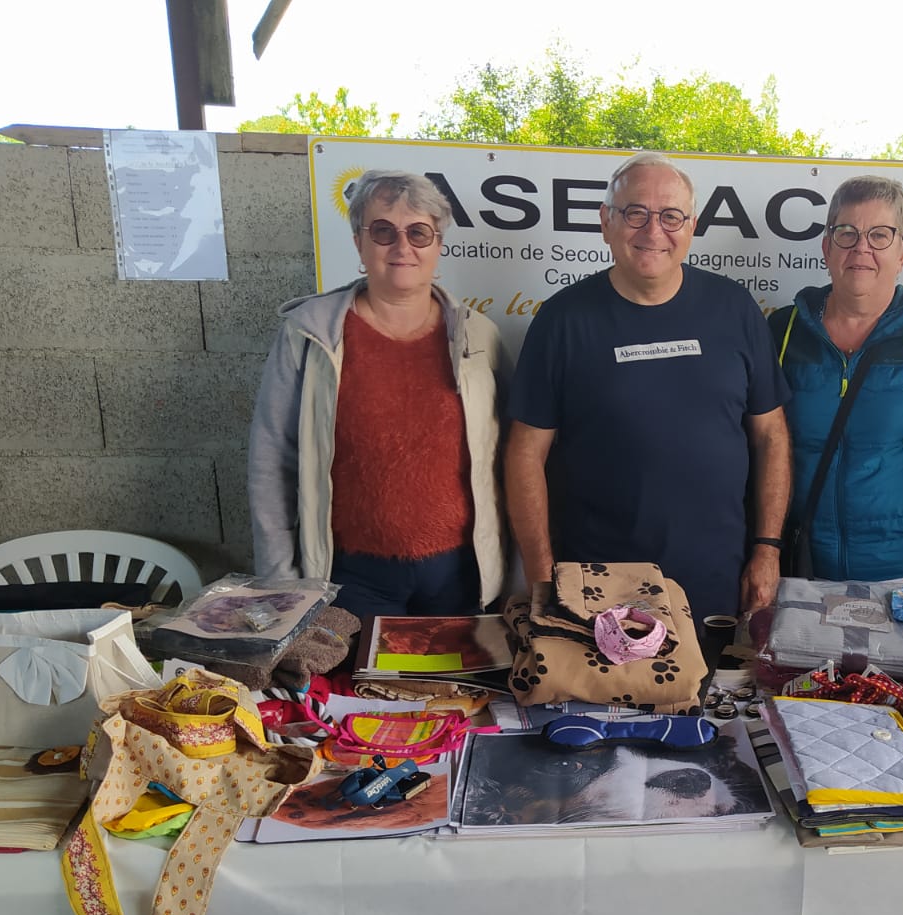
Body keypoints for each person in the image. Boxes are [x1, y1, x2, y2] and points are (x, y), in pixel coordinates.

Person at [504, 151, 792, 624]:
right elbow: (524, 454)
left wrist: (767, 549)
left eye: (671, 216)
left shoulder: (736, 308)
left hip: (718, 581)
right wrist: (542, 580)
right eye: (635, 212)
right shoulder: (562, 321)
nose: (654, 231)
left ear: (692, 226)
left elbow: (771, 435)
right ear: (606, 221)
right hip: (597, 587)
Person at [248, 169, 512, 620]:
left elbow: (509, 456)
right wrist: (281, 584)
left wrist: (517, 576)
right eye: (384, 231)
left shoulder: (480, 337)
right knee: (361, 671)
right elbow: (271, 461)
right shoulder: (309, 335)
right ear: (359, 243)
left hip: (461, 577)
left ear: (438, 245)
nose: (402, 247)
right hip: (350, 578)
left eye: (419, 232)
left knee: (455, 672)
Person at [769, 175, 903, 584]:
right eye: (847, 233)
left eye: (879, 235)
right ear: (826, 247)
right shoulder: (783, 331)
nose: (861, 248)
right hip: (801, 569)